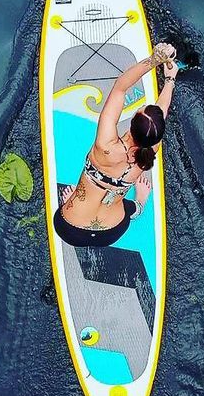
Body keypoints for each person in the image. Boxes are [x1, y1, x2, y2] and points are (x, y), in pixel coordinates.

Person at [52, 42, 179, 247]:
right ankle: (140, 202)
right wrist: (170, 79)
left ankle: (74, 198)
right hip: (113, 232)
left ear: (132, 122)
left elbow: (121, 86)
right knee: (129, 208)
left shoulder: (106, 145)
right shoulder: (150, 151)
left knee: (83, 198)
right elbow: (161, 113)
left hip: (69, 228)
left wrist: (155, 60)